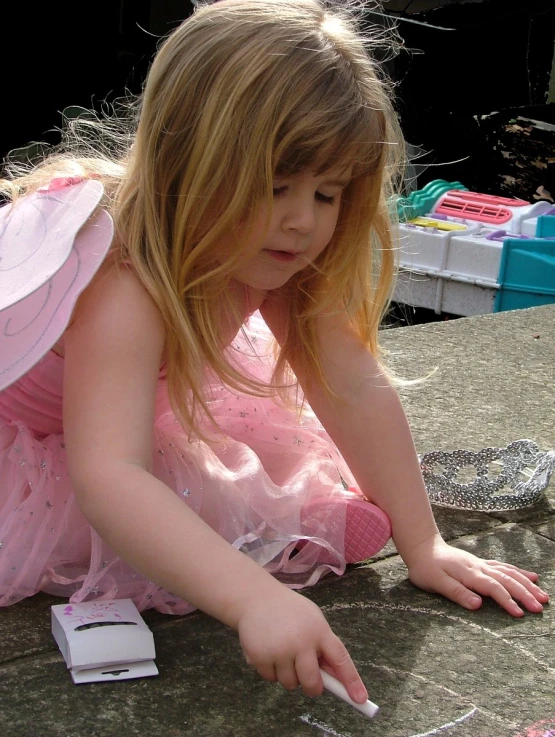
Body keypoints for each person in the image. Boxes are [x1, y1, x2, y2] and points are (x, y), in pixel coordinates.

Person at [0, 0, 548, 706]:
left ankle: (300, 526)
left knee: (246, 472)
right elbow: (109, 474)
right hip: (41, 440)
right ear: (185, 160)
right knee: (148, 515)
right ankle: (272, 551)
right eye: (274, 185)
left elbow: (350, 386)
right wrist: (251, 598)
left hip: (120, 411)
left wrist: (423, 544)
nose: (303, 220)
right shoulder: (123, 271)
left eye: (326, 192)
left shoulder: (273, 253)